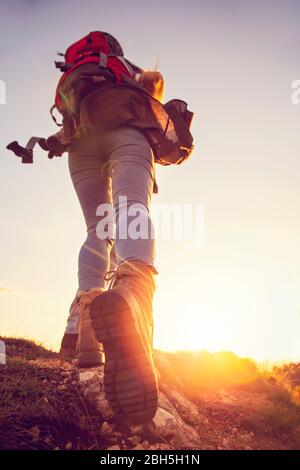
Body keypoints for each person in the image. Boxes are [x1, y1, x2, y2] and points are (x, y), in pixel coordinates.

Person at [53, 31, 169, 424]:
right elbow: (153, 101)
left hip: (80, 144)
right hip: (127, 137)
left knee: (96, 228)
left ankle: (86, 334)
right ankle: (133, 296)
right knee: (131, 209)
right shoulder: (129, 76)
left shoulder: (80, 78)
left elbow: (66, 115)